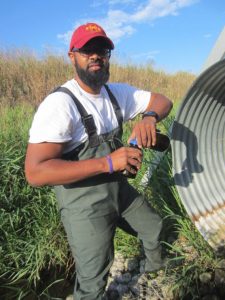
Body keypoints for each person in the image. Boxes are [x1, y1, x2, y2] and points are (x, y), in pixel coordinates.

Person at [25, 22, 173, 300]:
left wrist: (149, 117)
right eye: (87, 50)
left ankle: (153, 274)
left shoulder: (117, 93)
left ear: (108, 56)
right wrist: (108, 162)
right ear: (73, 56)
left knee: (153, 226)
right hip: (84, 205)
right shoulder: (60, 104)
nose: (96, 55)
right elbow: (35, 172)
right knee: (93, 281)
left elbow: (163, 100)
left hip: (119, 190)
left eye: (102, 50)